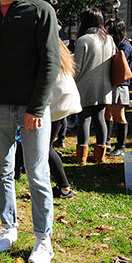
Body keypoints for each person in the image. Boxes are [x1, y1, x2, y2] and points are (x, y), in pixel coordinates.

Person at [0, 0, 60, 263]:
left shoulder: (40, 10)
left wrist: (36, 106)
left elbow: (51, 62)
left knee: (37, 173)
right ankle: (8, 227)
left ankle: (43, 239)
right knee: (2, 172)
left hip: (32, 109)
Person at [73, 8, 116, 164]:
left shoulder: (83, 40)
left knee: (84, 119)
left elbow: (76, 68)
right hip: (105, 85)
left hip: (85, 85)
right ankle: (100, 156)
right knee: (100, 120)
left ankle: (81, 157)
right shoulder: (109, 39)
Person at [48, 39, 80, 198]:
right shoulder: (60, 47)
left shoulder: (46, 44)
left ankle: (64, 187)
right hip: (64, 99)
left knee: (45, 148)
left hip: (57, 100)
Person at [104, 18, 132, 157]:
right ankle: (107, 142)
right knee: (107, 113)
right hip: (110, 83)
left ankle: (121, 145)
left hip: (120, 85)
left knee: (119, 115)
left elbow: (120, 62)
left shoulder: (125, 46)